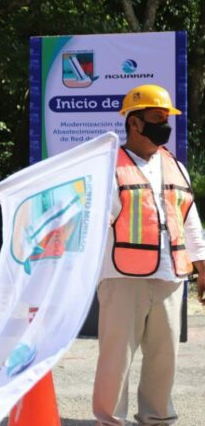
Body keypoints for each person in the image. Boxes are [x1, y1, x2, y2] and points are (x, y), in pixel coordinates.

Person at [92, 84, 205, 426]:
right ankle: (111, 420)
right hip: (122, 278)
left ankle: (158, 419)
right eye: (156, 117)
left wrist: (202, 266)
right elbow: (96, 224)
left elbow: (190, 222)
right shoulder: (110, 167)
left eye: (166, 117)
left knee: (164, 357)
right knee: (116, 359)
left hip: (171, 278)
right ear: (134, 123)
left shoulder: (176, 167)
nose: (164, 125)